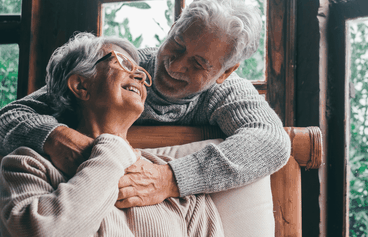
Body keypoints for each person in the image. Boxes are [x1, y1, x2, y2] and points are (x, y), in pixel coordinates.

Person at [0, 0, 291, 208]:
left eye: (199, 64)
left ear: (226, 72)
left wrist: (169, 179)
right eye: (176, 45)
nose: (175, 66)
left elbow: (272, 141)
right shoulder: (121, 68)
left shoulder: (227, 92)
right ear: (173, 27)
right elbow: (9, 116)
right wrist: (56, 136)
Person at [0, 33, 224, 236]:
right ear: (80, 85)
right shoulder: (27, 166)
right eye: (124, 63)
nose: (139, 75)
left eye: (142, 73)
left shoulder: (176, 189)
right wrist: (114, 147)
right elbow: (46, 232)